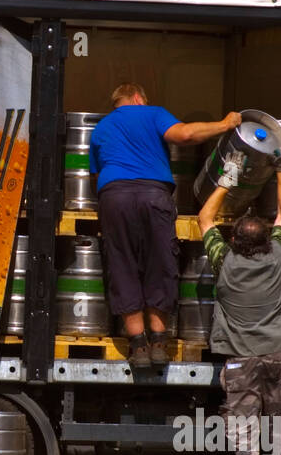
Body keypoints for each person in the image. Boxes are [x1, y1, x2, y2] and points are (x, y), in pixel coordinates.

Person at [89, 83, 240, 367]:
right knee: (160, 261)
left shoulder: (101, 127)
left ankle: (138, 347)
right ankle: (158, 342)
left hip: (113, 197)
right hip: (152, 195)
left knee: (121, 264)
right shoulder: (152, 113)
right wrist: (224, 124)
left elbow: (95, 175)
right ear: (138, 97)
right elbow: (185, 134)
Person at [198, 154, 281, 455]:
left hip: (241, 361)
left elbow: (205, 218)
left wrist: (228, 177)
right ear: (265, 238)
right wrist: (280, 171)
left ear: (233, 240)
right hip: (280, 357)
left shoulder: (223, 262)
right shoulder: (278, 255)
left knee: (245, 435)